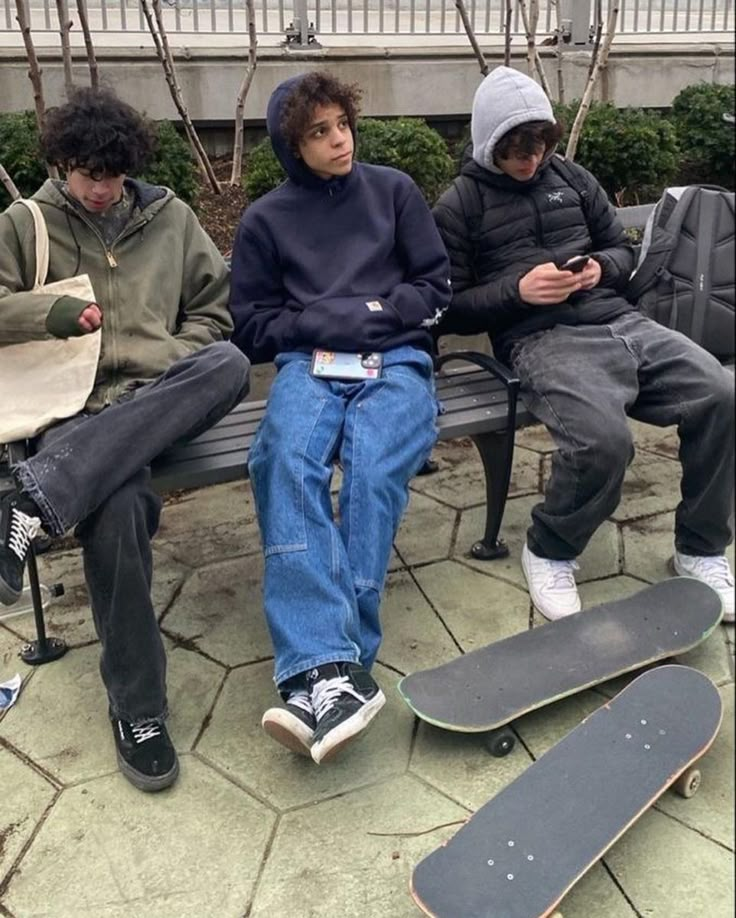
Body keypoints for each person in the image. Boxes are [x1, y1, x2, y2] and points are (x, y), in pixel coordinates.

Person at [0, 88, 250, 791]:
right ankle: (138, 709)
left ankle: (34, 500)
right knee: (115, 515)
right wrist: (50, 312)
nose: (102, 190)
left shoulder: (169, 218)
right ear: (60, 164)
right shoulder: (25, 224)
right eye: (87, 176)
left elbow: (215, 315)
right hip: (73, 414)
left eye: (113, 176)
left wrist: (171, 357)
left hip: (160, 403)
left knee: (228, 365)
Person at [433, 66, 735, 623]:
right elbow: (448, 305)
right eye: (516, 151)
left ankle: (700, 548)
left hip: (621, 320)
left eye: (540, 147)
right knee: (602, 441)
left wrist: (601, 268)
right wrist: (517, 291)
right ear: (488, 143)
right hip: (542, 340)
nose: (530, 161)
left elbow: (623, 250)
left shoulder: (570, 178)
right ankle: (550, 548)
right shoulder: (460, 206)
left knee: (722, 393)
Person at [228, 71, 451, 764]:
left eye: (342, 126)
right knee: (282, 459)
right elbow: (253, 325)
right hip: (308, 368)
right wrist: (323, 323)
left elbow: (435, 287)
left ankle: (321, 669)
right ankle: (339, 672)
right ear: (294, 146)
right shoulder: (266, 220)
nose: (338, 141)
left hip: (399, 364)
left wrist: (366, 317)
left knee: (372, 467)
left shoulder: (394, 192)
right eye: (318, 132)